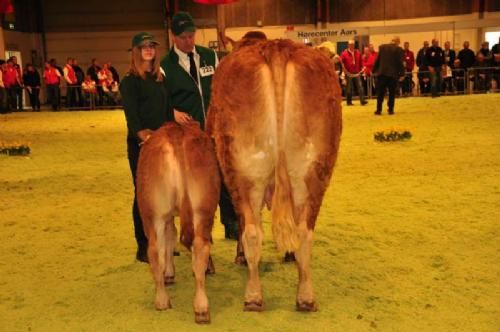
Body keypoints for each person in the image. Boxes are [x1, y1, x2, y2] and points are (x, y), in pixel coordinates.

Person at [161, 11, 239, 240]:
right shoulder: (166, 66)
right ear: (173, 37)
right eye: (184, 36)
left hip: (215, 129)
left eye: (192, 35)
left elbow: (221, 88)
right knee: (195, 182)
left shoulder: (209, 56)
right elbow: (162, 98)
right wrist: (172, 112)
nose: (189, 40)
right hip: (188, 135)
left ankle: (231, 223)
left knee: (224, 177)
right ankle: (198, 228)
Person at [120, 32, 174, 263]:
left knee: (167, 192)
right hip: (141, 145)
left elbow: (167, 109)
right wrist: (145, 138)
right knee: (143, 193)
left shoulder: (160, 78)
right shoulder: (129, 82)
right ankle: (143, 244)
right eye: (144, 47)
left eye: (152, 46)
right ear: (136, 51)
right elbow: (132, 119)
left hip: (163, 142)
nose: (149, 49)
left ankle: (166, 240)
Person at [372, 36, 405, 115]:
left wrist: (373, 70)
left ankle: (378, 110)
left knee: (380, 93)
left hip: (382, 74)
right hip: (392, 75)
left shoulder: (382, 47)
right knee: (392, 93)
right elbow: (400, 62)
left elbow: (378, 60)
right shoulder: (399, 49)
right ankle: (390, 110)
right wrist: (402, 73)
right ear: (398, 42)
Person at [340, 40, 367, 106]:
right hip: (348, 73)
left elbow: (361, 62)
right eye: (351, 44)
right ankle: (349, 102)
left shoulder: (358, 52)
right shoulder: (344, 53)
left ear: (354, 45)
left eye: (353, 44)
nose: (352, 45)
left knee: (360, 87)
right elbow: (341, 62)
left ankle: (362, 100)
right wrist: (343, 72)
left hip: (357, 73)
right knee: (349, 88)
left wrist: (363, 68)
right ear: (348, 45)